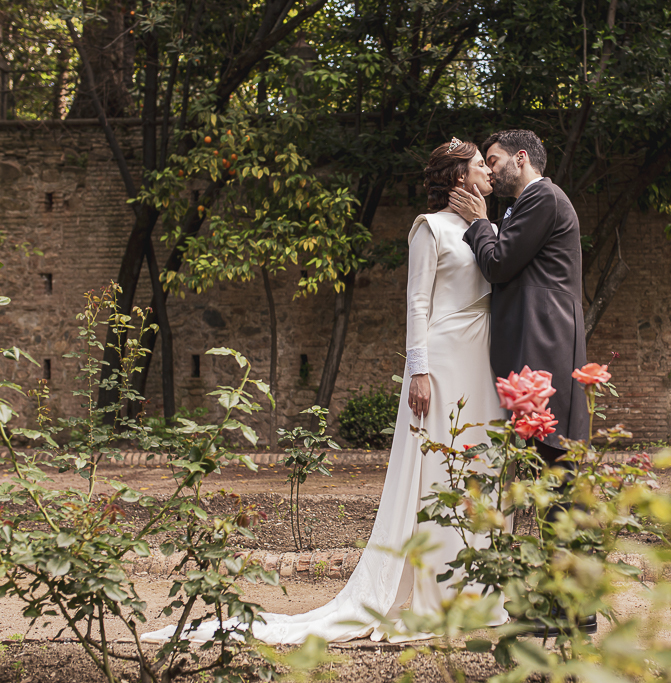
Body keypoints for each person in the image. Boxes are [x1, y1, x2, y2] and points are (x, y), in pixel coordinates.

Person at [141, 138, 507, 645]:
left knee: (477, 466)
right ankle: (436, 596)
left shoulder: (491, 230)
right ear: (460, 177)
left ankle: (478, 593)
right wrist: (418, 371)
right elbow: (417, 304)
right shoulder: (430, 228)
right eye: (481, 165)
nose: (489, 171)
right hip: (444, 360)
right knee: (438, 470)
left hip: (482, 359)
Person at [449, 129, 589, 466]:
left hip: (544, 337)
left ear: (521, 158)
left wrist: (479, 222)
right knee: (540, 449)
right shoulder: (523, 204)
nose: (490, 171)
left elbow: (498, 264)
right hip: (533, 335)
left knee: (553, 449)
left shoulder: (543, 196)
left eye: (494, 160)